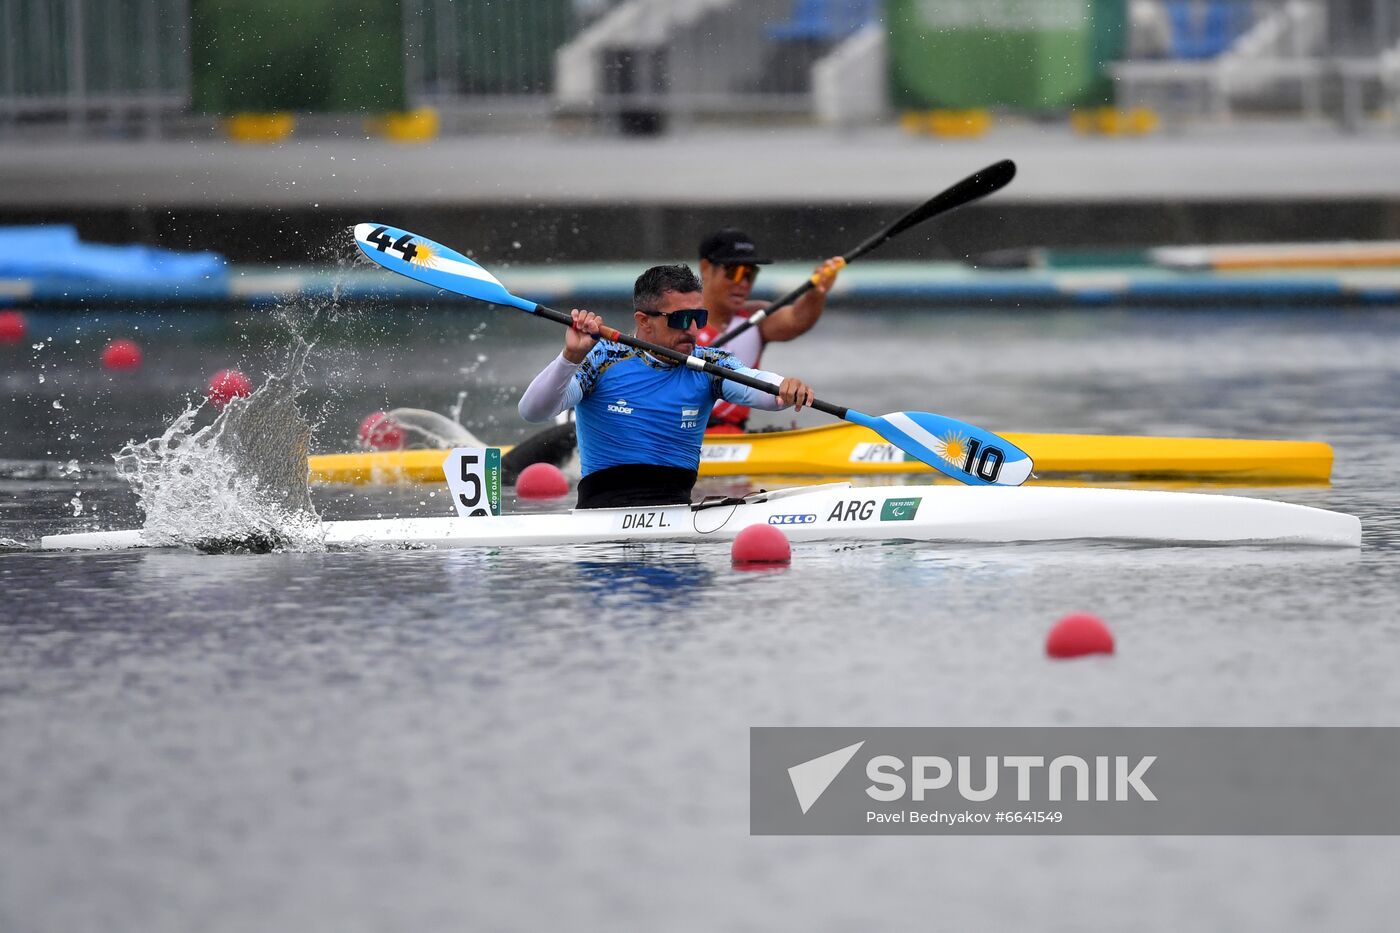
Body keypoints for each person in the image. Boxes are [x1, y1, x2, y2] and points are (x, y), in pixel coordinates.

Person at [517, 264, 815, 509]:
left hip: (678, 513)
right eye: (682, 319)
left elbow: (757, 386)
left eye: (699, 317)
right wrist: (570, 357)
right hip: (601, 519)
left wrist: (784, 388)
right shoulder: (601, 359)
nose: (693, 329)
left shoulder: (708, 365)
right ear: (644, 321)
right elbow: (532, 410)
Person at [695, 228, 842, 433]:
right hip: (684, 437)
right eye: (734, 272)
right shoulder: (678, 322)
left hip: (734, 437)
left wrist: (817, 292)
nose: (743, 283)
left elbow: (797, 319)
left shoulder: (757, 317)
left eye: (749, 273)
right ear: (706, 268)